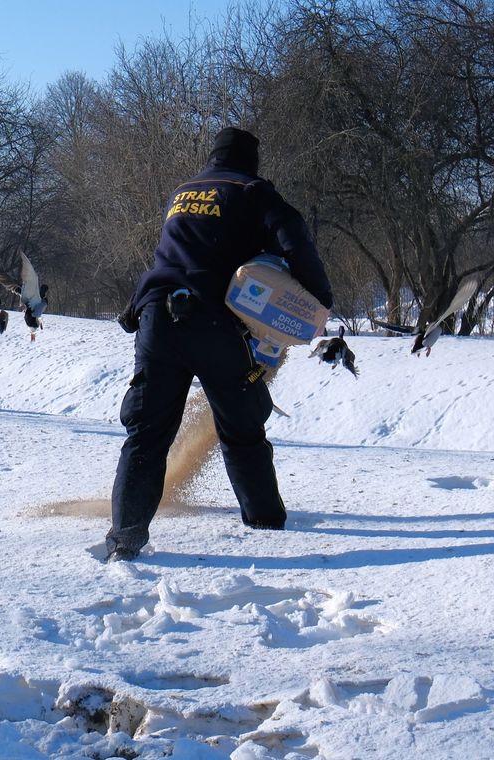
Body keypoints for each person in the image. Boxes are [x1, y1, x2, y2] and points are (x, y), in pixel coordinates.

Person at [106, 126, 334, 563]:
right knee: (242, 425)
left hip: (157, 319)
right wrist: (320, 299)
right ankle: (266, 524)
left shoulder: (182, 193)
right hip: (213, 322)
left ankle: (125, 539)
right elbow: (295, 239)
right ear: (252, 160)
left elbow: (170, 256)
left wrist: (135, 306)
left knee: (147, 434)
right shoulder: (252, 191)